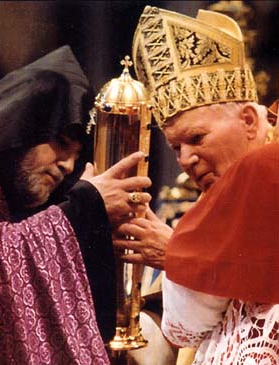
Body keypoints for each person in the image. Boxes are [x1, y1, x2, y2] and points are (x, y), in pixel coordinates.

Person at [0, 45, 153, 364]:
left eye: (76, 157)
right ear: (20, 128)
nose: (66, 166)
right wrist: (85, 205)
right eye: (61, 144)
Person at [114, 6, 279, 365]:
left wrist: (176, 254)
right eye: (176, 147)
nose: (186, 159)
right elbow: (187, 325)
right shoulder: (214, 196)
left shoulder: (271, 167)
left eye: (197, 137)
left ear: (250, 120)